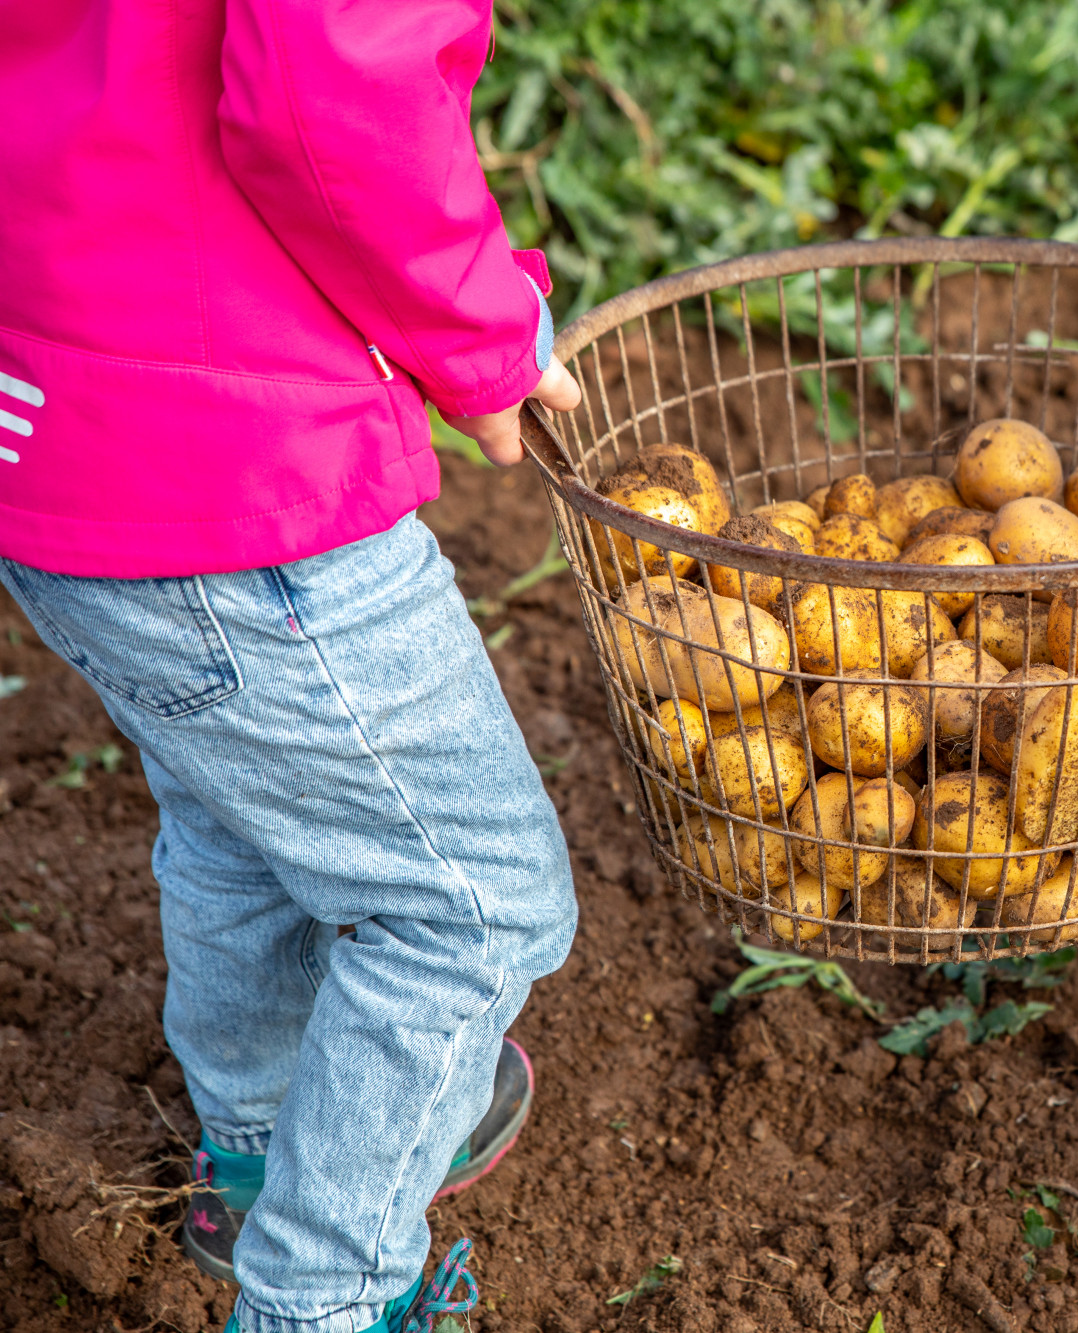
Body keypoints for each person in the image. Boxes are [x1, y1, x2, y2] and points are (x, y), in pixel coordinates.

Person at [2, 4, 582, 1330]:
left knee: (240, 814)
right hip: (235, 456)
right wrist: (485, 331)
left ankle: (265, 1150)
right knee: (478, 905)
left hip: (57, 404)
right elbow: (338, 88)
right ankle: (320, 1297)